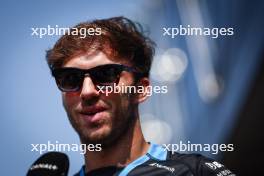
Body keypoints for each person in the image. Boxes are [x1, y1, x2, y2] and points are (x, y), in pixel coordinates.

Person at [46, 16, 235, 176]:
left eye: (106, 74)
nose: (87, 91)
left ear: (141, 89)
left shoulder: (195, 171)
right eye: (70, 78)